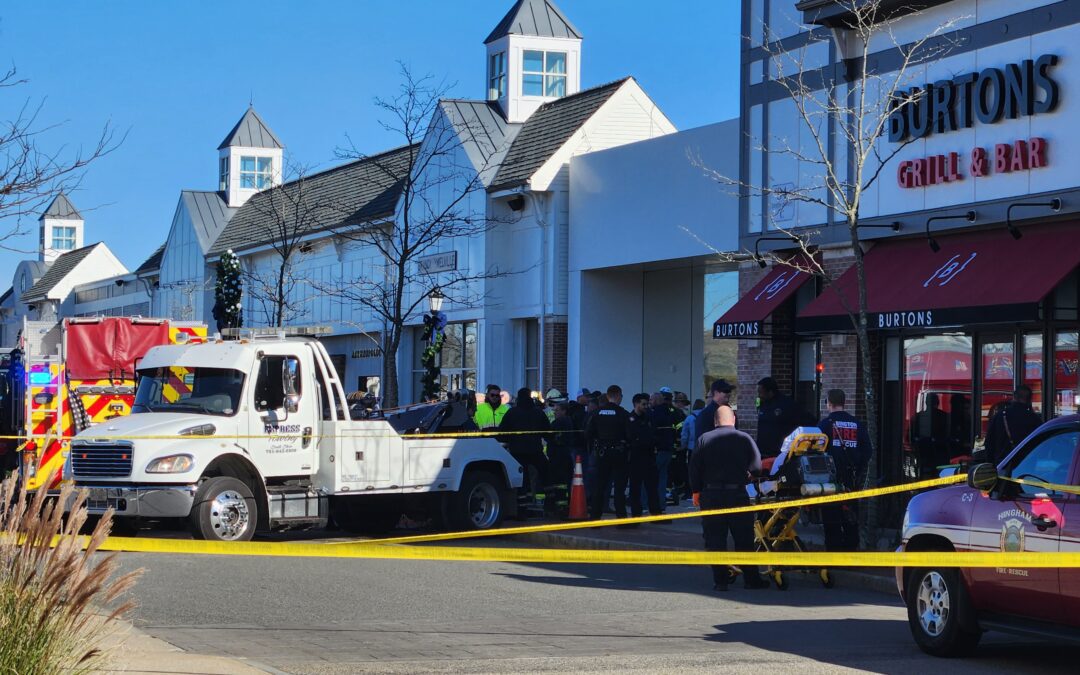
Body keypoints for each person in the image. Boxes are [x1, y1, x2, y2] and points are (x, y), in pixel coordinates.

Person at [690, 405, 767, 591]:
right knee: (744, 538)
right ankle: (751, 579)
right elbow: (757, 468)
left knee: (715, 539)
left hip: (711, 495)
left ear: (715, 421)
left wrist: (696, 491)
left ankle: (721, 581)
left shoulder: (703, 439)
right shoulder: (744, 438)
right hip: (738, 494)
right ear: (733, 420)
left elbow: (693, 468)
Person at [817, 389, 873, 552]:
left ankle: (834, 553)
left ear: (829, 403)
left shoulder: (825, 424)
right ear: (844, 402)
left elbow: (815, 450)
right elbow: (868, 451)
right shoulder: (857, 424)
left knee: (831, 517)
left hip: (830, 479)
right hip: (851, 478)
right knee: (851, 516)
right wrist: (859, 468)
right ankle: (850, 551)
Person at [585, 385, 630, 519]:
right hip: (619, 454)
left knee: (600, 486)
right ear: (617, 396)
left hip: (601, 454)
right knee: (619, 488)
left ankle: (595, 517)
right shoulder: (623, 413)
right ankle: (621, 518)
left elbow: (588, 434)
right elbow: (630, 434)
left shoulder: (597, 413)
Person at [498, 388, 551, 497]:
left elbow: (501, 433)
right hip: (535, 451)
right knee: (544, 474)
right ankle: (546, 500)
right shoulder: (538, 412)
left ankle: (522, 505)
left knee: (521, 480)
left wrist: (511, 440)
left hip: (517, 452)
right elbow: (548, 432)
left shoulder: (512, 413)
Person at [985, 385, 1043, 465]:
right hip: (1026, 465)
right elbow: (1040, 443)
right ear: (1029, 400)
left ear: (1014, 397)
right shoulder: (1034, 419)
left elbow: (989, 442)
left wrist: (991, 464)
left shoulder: (1000, 415)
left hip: (1003, 463)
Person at [626, 393, 661, 520]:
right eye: (643, 404)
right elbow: (633, 438)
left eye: (647, 404)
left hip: (649, 457)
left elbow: (653, 434)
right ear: (636, 404)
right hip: (636, 458)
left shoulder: (648, 418)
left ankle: (655, 513)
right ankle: (636, 513)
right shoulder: (630, 419)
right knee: (635, 487)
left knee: (652, 487)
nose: (646, 406)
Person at [649, 391, 681, 510]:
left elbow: (653, 432)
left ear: (656, 401)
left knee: (653, 478)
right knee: (663, 478)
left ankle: (652, 504)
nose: (649, 403)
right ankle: (661, 503)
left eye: (651, 400)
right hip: (668, 449)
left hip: (658, 450)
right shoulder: (670, 412)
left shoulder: (654, 413)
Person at [756, 377, 799, 458]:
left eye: (761, 392)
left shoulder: (786, 404)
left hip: (778, 452)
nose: (759, 395)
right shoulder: (763, 404)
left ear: (770, 392)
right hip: (762, 451)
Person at [910, 392, 949, 476]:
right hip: (939, 455)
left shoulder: (917, 417)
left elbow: (910, 437)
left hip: (923, 455)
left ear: (925, 403)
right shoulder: (944, 417)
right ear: (938, 403)